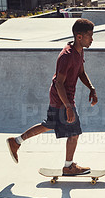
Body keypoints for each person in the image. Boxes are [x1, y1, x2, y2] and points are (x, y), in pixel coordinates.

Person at [6, 18, 97, 175]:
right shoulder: (66, 56)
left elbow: (81, 72)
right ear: (79, 36)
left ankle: (16, 142)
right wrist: (68, 107)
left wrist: (91, 88)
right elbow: (59, 83)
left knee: (49, 124)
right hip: (62, 98)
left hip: (61, 98)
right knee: (74, 133)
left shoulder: (79, 51)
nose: (92, 39)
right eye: (90, 35)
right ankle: (68, 167)